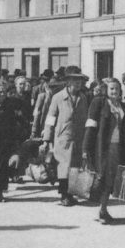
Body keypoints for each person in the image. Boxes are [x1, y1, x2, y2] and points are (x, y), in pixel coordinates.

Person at [82, 78, 125, 224]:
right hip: (102, 148)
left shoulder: (122, 106)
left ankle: (103, 209)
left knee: (112, 179)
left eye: (116, 89)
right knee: (102, 177)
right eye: (111, 89)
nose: (114, 91)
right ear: (106, 90)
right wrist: (85, 148)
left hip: (118, 148)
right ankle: (101, 210)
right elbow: (90, 126)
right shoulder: (99, 103)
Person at [40, 66, 89, 207]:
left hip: (78, 137)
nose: (78, 83)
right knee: (63, 167)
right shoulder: (58, 97)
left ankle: (71, 193)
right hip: (63, 138)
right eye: (75, 80)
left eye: (80, 80)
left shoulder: (83, 98)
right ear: (68, 81)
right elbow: (50, 119)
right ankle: (64, 195)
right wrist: (46, 140)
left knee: (74, 167)